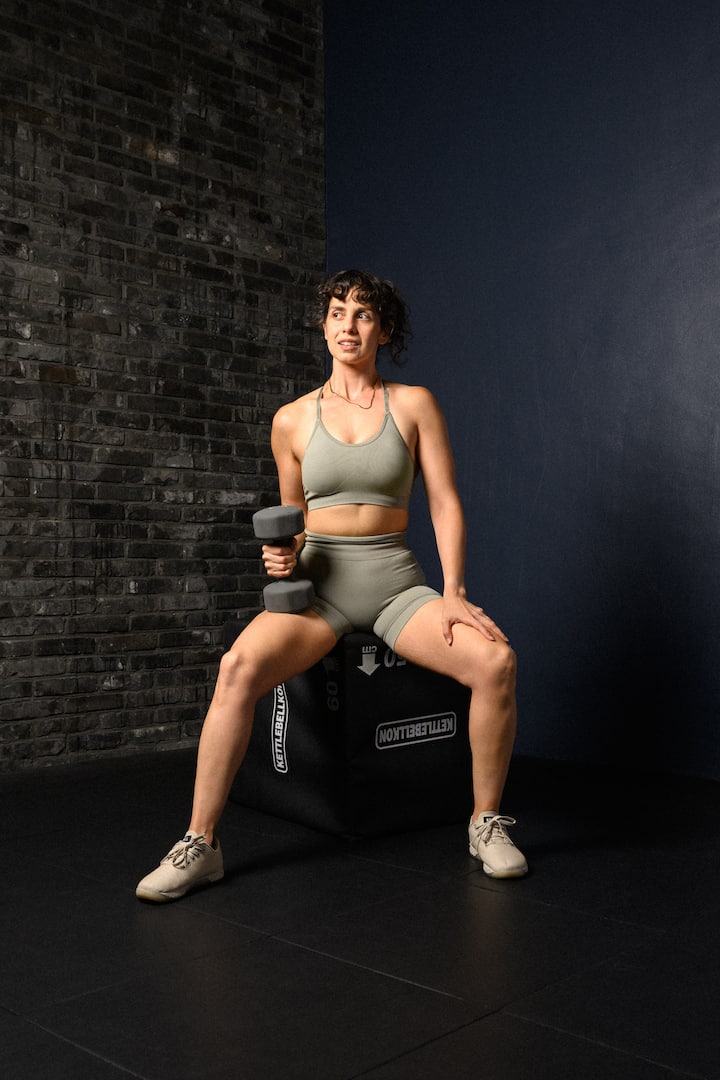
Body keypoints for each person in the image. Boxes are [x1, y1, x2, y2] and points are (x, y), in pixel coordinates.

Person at [136, 269, 528, 902]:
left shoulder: (414, 404)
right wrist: (281, 556)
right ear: (323, 327)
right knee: (236, 667)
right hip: (320, 588)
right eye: (338, 313)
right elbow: (292, 520)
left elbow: (445, 502)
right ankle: (200, 844)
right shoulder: (290, 420)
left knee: (496, 663)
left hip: (396, 584)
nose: (349, 325)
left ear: (384, 330)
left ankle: (485, 823)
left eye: (364, 314)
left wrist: (453, 591)